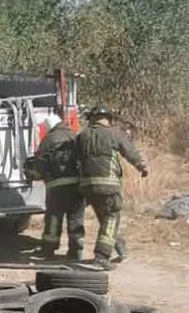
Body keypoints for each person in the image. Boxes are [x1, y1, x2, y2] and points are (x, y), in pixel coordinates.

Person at [75, 105, 148, 270]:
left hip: (87, 187)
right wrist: (142, 167)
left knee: (105, 218)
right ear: (108, 118)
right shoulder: (114, 133)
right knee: (111, 217)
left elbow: (74, 159)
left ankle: (119, 245)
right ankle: (101, 257)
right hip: (108, 185)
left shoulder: (82, 136)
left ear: (91, 119)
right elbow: (130, 152)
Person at [30, 112, 84, 260]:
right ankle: (76, 250)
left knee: (54, 219)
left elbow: (39, 161)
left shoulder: (49, 138)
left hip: (56, 187)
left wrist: (34, 175)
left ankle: (48, 250)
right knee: (76, 219)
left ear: (49, 126)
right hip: (77, 186)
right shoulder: (75, 135)